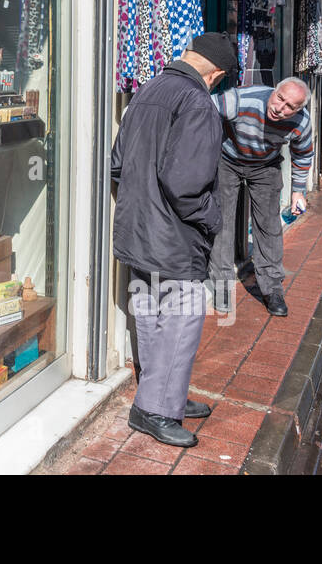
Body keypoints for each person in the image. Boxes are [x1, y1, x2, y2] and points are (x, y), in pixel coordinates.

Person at [110, 32, 238, 448]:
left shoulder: (148, 90)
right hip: (174, 235)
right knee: (181, 319)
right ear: (216, 73)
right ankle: (155, 410)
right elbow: (184, 184)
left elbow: (117, 166)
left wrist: (139, 206)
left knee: (148, 313)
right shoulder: (199, 103)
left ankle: (165, 395)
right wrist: (213, 219)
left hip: (138, 228)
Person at [208, 77, 314, 317]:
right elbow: (201, 109)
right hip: (228, 159)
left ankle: (272, 289)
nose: (280, 108)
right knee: (221, 223)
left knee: (268, 226)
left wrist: (298, 191)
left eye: (290, 107)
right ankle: (222, 286)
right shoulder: (242, 98)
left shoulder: (302, 122)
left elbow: (303, 153)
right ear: (273, 91)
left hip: (266, 165)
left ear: (299, 109)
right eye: (280, 98)